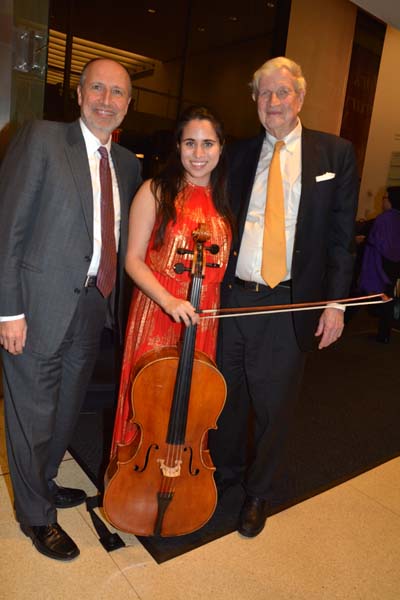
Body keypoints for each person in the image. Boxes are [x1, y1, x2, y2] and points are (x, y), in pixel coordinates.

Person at [208, 56, 359, 538]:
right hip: (233, 299)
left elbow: (340, 238)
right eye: (264, 94)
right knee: (225, 398)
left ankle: (258, 492)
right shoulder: (236, 153)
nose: (273, 102)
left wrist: (336, 303)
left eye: (282, 92)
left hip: (290, 302)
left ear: (300, 96)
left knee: (273, 405)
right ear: (254, 100)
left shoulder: (335, 155)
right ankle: (224, 478)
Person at [0, 58, 142, 560]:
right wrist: (8, 310)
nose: (107, 100)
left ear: (128, 103)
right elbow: (8, 228)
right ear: (79, 94)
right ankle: (36, 516)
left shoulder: (127, 164)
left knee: (64, 412)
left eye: (117, 92)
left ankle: (44, 479)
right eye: (97, 89)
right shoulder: (41, 139)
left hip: (92, 308)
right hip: (35, 308)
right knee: (32, 417)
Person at [110, 105, 232, 458]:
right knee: (149, 403)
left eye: (207, 144)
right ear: (178, 146)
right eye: (190, 143)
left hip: (203, 315)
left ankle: (179, 486)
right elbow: (132, 260)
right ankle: (133, 481)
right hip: (159, 310)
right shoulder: (155, 191)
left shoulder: (224, 201)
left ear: (221, 148)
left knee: (192, 408)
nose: (198, 153)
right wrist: (168, 300)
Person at [359, 186, 400, 343]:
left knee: (363, 294)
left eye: (385, 197)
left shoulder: (384, 219)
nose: (383, 200)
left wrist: (364, 241)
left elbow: (377, 242)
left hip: (379, 264)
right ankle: (384, 334)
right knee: (387, 298)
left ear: (391, 201)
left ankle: (340, 322)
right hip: (394, 265)